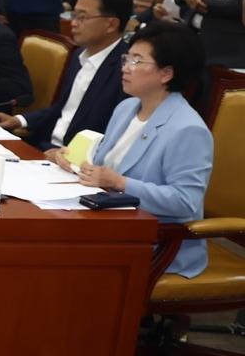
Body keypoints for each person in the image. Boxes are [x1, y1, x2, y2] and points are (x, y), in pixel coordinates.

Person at [51, 21, 213, 278]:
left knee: (54, 254)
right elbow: (106, 163)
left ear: (166, 73)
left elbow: (185, 203)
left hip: (157, 244)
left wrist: (120, 183)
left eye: (137, 61)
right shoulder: (126, 108)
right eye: (128, 58)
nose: (125, 67)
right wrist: (74, 161)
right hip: (110, 224)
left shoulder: (188, 129)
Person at [0, 0, 130, 149]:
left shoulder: (127, 69)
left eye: (82, 17)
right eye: (74, 15)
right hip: (45, 147)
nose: (74, 23)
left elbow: (113, 136)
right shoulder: (79, 55)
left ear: (111, 24)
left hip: (76, 162)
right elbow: (62, 109)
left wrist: (66, 155)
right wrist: (19, 120)